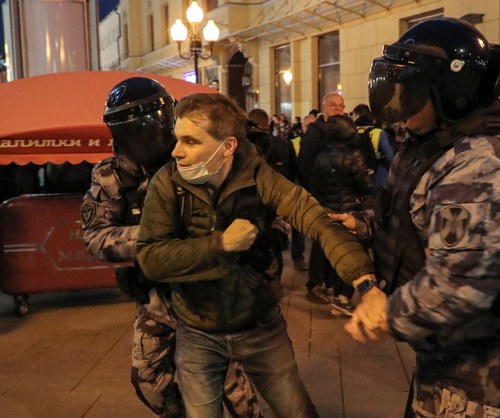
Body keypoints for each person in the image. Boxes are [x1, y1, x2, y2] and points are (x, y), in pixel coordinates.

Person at [330, 18, 500, 417]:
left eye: (412, 94)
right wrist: (362, 222)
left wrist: (384, 313)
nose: (401, 108)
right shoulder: (440, 144)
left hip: (483, 384)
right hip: (450, 363)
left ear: (453, 91)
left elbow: (461, 284)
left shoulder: (478, 166)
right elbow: (417, 212)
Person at [135, 93, 382, 418]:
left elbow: (318, 221)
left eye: (190, 141)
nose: (176, 151)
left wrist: (366, 285)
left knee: (297, 411)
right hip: (196, 330)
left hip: (259, 326)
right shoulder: (167, 182)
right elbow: (150, 257)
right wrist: (220, 243)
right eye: (177, 139)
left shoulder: (259, 176)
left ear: (228, 146)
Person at [81, 77, 262, 418]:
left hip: (209, 291)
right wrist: (160, 239)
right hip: (157, 295)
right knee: (149, 380)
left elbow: (254, 205)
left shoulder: (199, 154)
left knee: (230, 384)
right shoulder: (112, 175)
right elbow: (96, 237)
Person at [307, 115, 373, 314]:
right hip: (350, 212)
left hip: (328, 211)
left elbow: (315, 185)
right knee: (352, 254)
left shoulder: (321, 156)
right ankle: (342, 297)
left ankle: (329, 287)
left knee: (331, 251)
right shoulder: (354, 155)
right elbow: (366, 185)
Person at [297, 91, 346, 188]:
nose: (338, 109)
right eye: (333, 105)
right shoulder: (314, 133)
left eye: (341, 106)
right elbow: (304, 166)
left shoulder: (345, 131)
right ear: (323, 108)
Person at [288, 113, 318, 272]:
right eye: (309, 127)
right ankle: (298, 256)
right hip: (298, 188)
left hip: (316, 188)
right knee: (298, 226)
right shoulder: (294, 143)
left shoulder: (322, 141)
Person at [351, 103, 395, 189]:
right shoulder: (378, 133)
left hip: (355, 180)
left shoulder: (350, 132)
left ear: (356, 115)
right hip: (377, 178)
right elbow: (390, 157)